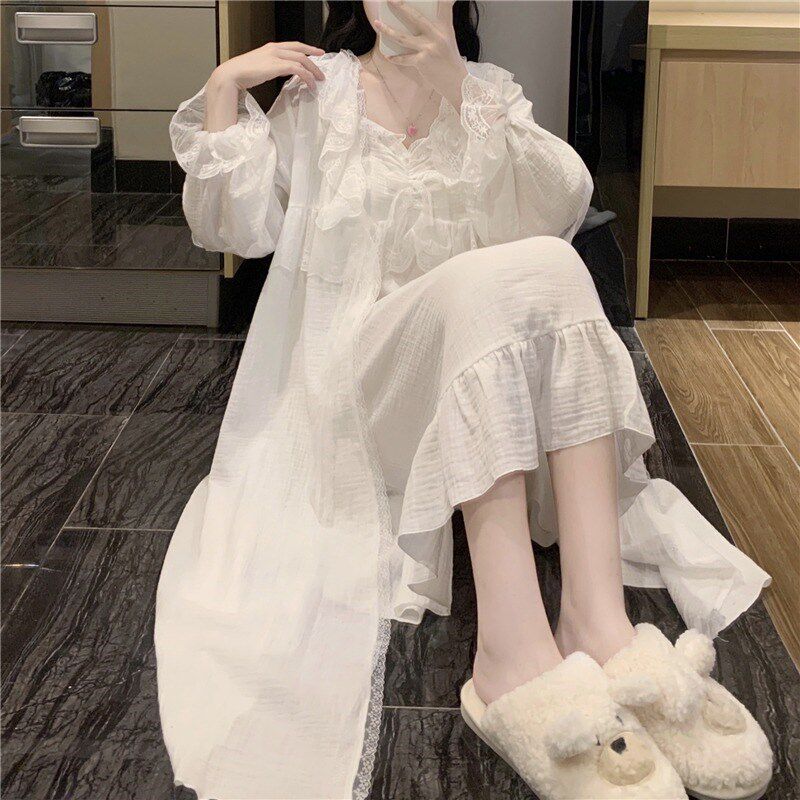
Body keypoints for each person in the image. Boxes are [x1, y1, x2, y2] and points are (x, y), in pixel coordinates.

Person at [156, 3, 773, 799]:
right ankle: (509, 657)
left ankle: (600, 625)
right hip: (360, 398)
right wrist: (223, 87)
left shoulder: (486, 93)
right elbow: (234, 230)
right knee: (489, 284)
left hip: (471, 400)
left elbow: (564, 204)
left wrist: (460, 86)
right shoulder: (322, 94)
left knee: (554, 265)